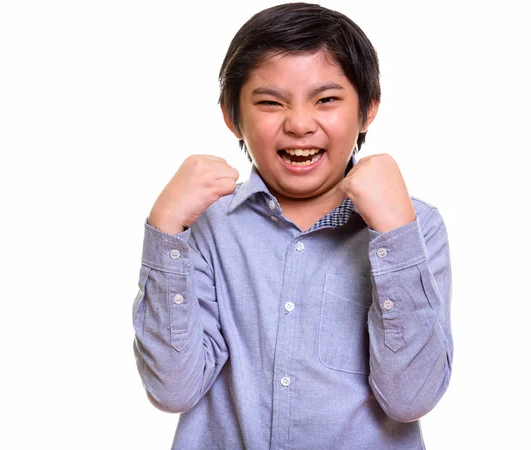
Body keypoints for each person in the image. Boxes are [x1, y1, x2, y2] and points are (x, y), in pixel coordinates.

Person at [132, 2, 453, 449]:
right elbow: (172, 390)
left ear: (367, 110)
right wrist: (165, 228)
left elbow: (410, 399)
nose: (300, 124)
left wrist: (396, 234)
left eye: (326, 100)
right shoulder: (205, 227)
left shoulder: (416, 227)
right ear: (232, 117)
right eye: (269, 102)